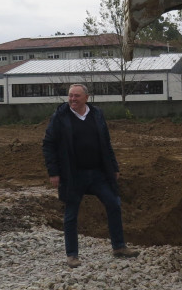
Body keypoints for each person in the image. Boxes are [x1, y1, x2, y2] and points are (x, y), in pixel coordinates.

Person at [42, 84, 139, 268]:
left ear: (87, 97)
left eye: (77, 96)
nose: (72, 99)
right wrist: (53, 172)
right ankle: (72, 255)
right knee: (71, 214)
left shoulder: (97, 115)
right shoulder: (60, 117)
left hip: (97, 173)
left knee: (114, 203)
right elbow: (48, 144)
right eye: (70, 96)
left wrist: (113, 167)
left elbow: (106, 143)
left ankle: (119, 246)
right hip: (73, 175)